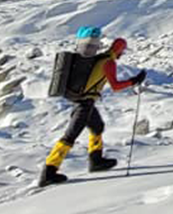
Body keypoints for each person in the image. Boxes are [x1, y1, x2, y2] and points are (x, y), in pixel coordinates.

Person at [39, 28, 147, 187]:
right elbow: (115, 86)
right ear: (119, 50)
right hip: (85, 103)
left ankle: (96, 160)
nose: (122, 54)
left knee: (97, 127)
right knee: (70, 135)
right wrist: (134, 80)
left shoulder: (100, 58)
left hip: (83, 100)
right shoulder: (108, 62)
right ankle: (49, 171)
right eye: (122, 50)